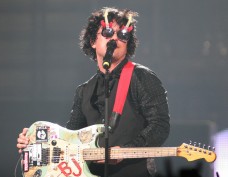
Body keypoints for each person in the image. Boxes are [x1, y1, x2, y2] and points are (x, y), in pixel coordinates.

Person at [17, 7, 170, 177]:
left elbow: (160, 126)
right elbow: (68, 142)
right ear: (92, 41)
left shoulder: (142, 77)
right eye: (107, 32)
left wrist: (126, 151)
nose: (114, 39)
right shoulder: (84, 91)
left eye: (122, 35)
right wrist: (33, 144)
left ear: (128, 44)